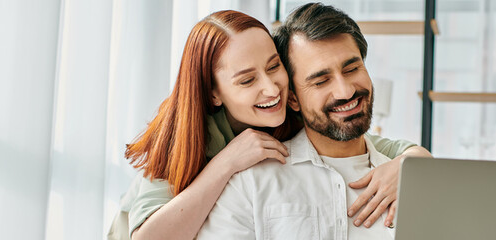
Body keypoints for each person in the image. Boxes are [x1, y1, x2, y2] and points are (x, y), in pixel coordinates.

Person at [107, 10, 431, 240]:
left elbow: (362, 141)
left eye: (274, 66)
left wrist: (412, 163)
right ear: (214, 93)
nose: (272, 88)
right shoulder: (184, 137)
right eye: (247, 79)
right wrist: (226, 163)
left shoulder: (288, 109)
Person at [197, 3, 426, 239]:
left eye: (352, 69)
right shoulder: (249, 183)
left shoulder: (410, 179)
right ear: (293, 99)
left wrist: (415, 169)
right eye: (320, 81)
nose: (345, 92)